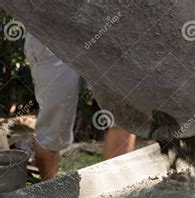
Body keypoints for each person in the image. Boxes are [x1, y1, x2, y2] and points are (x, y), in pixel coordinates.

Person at [24, 33, 135, 180]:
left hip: (106, 31)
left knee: (124, 117)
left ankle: (112, 196)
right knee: (53, 130)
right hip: (50, 33)